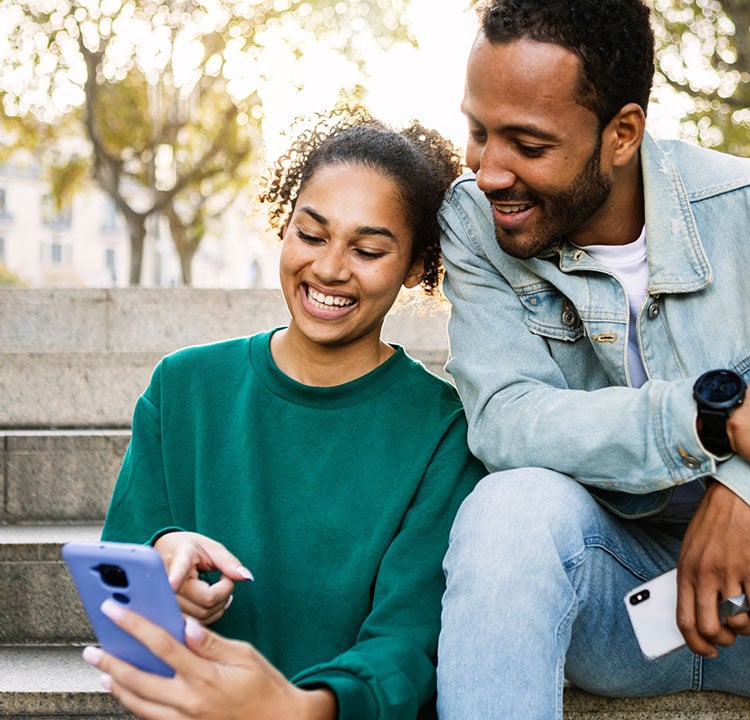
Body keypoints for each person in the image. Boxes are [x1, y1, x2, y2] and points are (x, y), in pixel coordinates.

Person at [84, 103, 486, 720]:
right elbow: (123, 568)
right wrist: (164, 558)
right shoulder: (183, 386)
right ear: (284, 224)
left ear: (415, 267)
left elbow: (408, 644)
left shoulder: (444, 430)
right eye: (311, 233)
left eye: (369, 250)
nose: (328, 268)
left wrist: (301, 708)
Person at [435, 0, 750, 718]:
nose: (489, 171)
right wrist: (703, 421)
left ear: (622, 133)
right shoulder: (477, 220)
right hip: (623, 610)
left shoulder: (740, 208)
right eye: (478, 132)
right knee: (510, 509)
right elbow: (505, 419)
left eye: (529, 144)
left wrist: (740, 487)